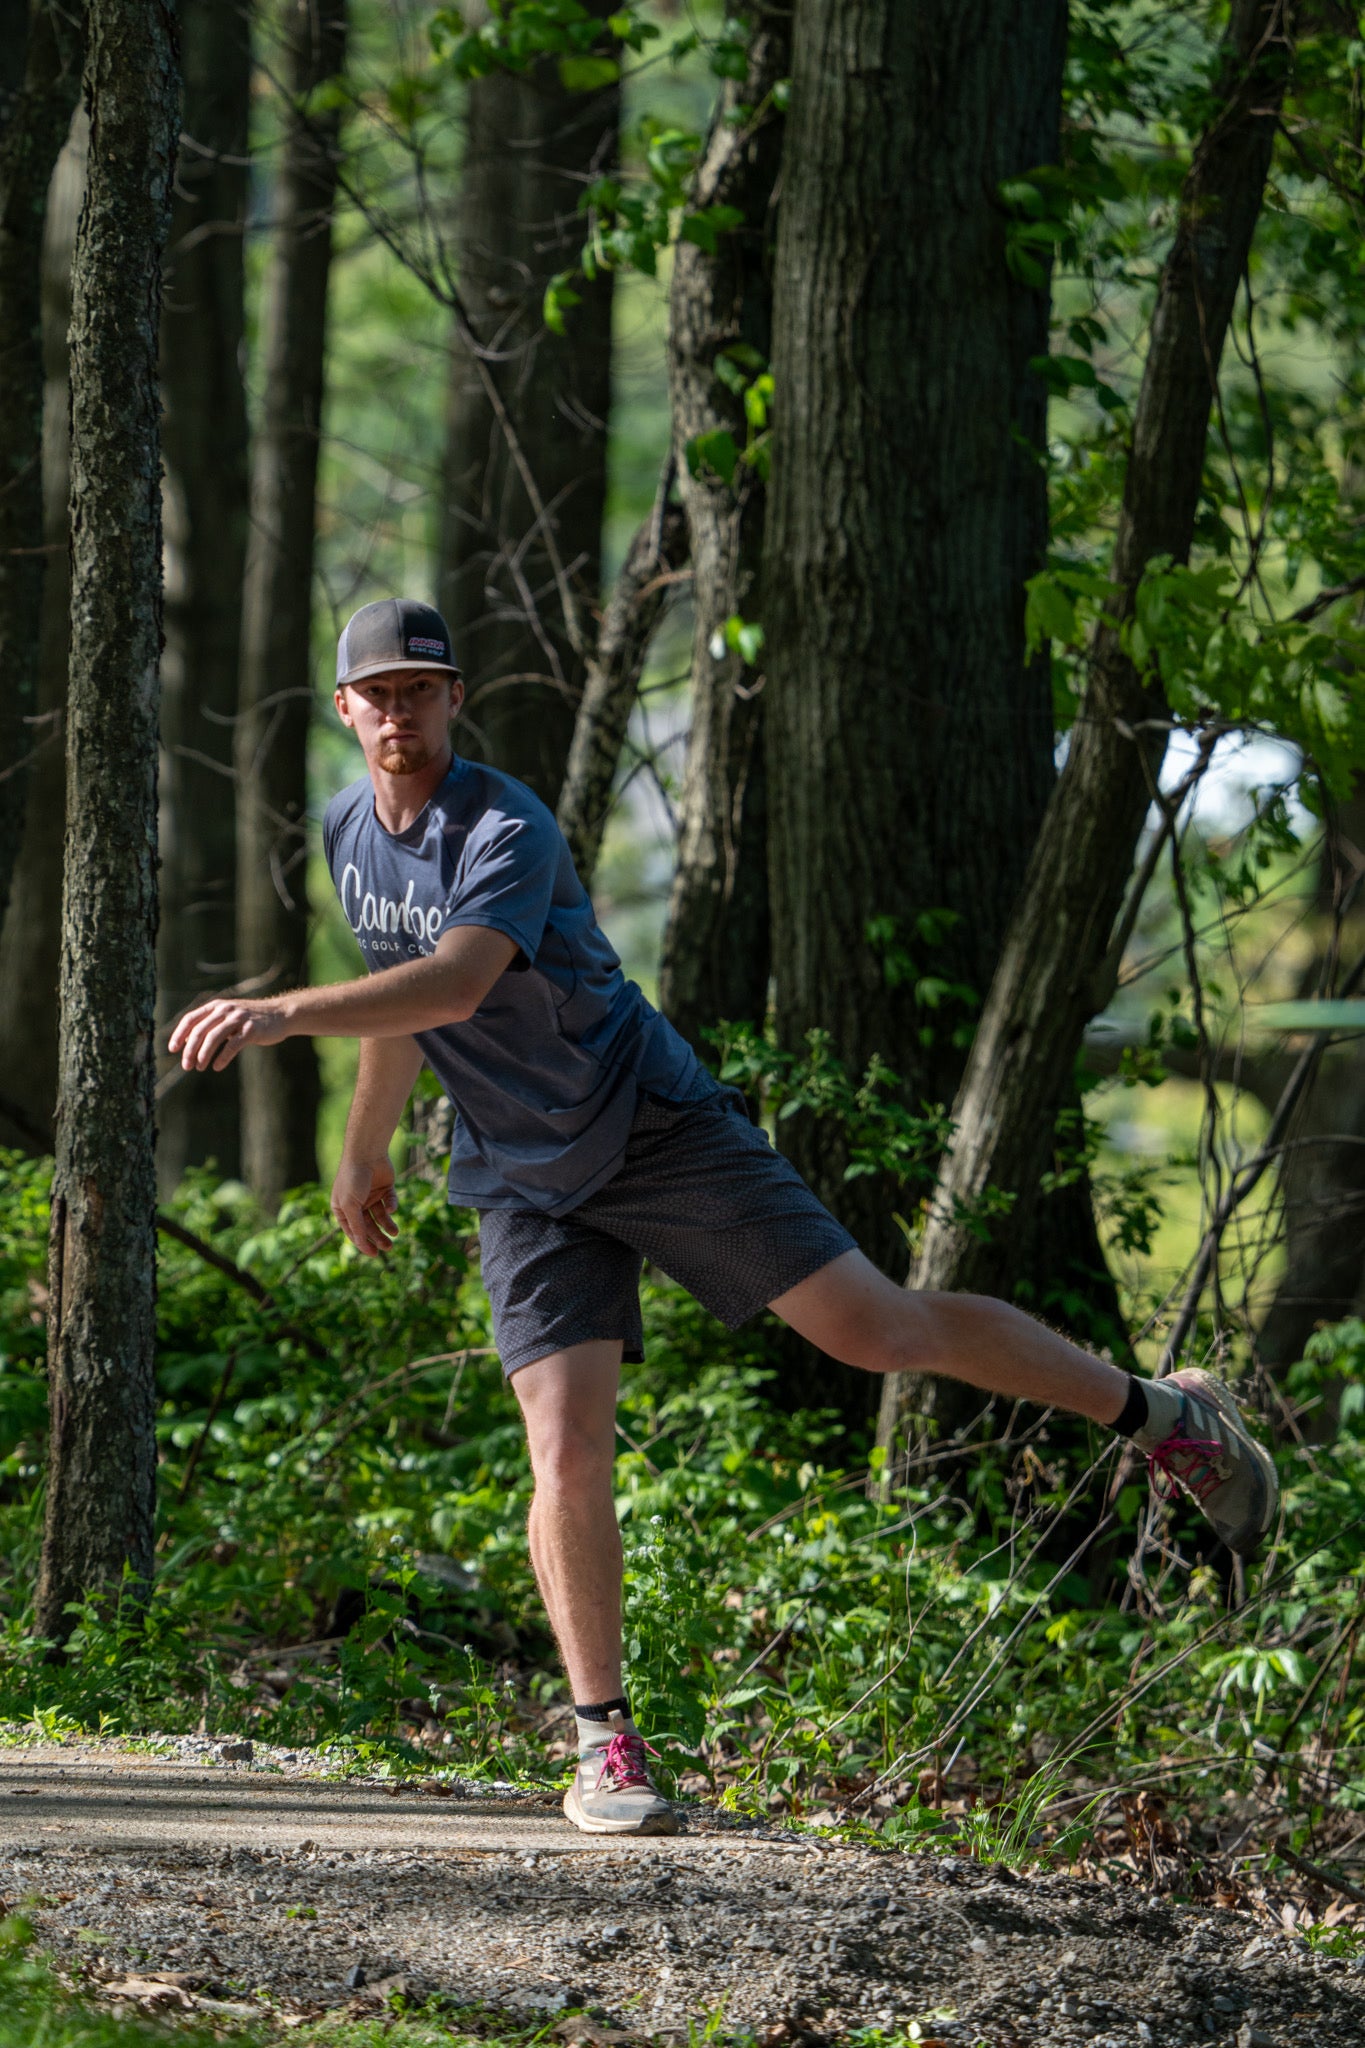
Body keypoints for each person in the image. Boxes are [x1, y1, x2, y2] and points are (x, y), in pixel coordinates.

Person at [170, 596, 1281, 1839]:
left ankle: (1164, 1414)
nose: (399, 713)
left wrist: (280, 1012)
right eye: (377, 694)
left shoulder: (505, 824)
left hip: (649, 1124)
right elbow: (401, 999)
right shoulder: (348, 829)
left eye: (419, 690)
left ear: (454, 698)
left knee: (879, 1330)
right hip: (523, 1173)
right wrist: (363, 1145)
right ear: (344, 707)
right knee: (563, 1445)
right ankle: (604, 1742)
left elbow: (459, 978)